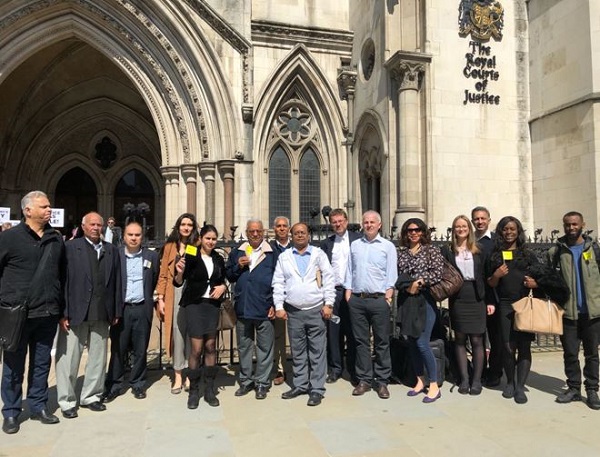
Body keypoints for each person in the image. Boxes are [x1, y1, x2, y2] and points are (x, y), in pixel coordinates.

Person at [0, 191, 65, 434]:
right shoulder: (9, 238)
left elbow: (62, 274)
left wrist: (61, 308)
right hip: (17, 314)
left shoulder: (55, 239)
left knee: (40, 363)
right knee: (13, 366)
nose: (49, 210)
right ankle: (11, 412)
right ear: (28, 211)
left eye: (49, 206)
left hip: (47, 312)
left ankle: (38, 406)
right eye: (44, 206)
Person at [55, 212, 122, 418]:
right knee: (69, 358)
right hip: (75, 312)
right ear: (83, 227)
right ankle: (67, 401)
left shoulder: (111, 250)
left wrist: (116, 310)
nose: (95, 228)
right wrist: (62, 312)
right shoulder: (69, 248)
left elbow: (117, 282)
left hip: (102, 312)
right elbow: (62, 281)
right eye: (92, 224)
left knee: (98, 358)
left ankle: (91, 396)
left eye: (99, 225)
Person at [272, 222, 336, 406]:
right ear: (292, 236)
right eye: (296, 233)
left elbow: (329, 278)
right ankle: (300, 384)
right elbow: (278, 282)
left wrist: (329, 303)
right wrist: (278, 306)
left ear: (308, 235)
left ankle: (316, 389)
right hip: (293, 311)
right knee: (298, 351)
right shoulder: (285, 257)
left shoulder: (318, 254)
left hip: (316, 309)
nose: (300, 235)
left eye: (303, 232)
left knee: (317, 351)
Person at [486, 216, 540, 404]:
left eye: (512, 229)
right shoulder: (496, 255)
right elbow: (490, 282)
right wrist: (497, 275)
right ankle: (509, 381)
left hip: (525, 303)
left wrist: (535, 283)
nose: (509, 232)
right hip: (505, 304)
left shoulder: (527, 254)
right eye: (505, 229)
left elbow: (540, 277)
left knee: (524, 346)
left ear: (518, 231)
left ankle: (520, 387)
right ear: (500, 232)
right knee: (508, 347)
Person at [103, 221, 159, 402]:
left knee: (140, 348)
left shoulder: (151, 256)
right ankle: (115, 383)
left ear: (142, 237)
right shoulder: (116, 254)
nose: (134, 238)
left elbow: (156, 278)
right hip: (122, 309)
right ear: (124, 237)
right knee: (118, 347)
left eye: (137, 235)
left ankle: (138, 383)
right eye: (130, 235)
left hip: (143, 307)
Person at [344, 211, 397, 399]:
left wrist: (388, 296)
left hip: (378, 299)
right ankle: (364, 379)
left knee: (382, 342)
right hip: (357, 299)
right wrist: (348, 293)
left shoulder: (387, 246)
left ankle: (382, 381)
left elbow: (391, 273)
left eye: (372, 222)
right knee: (361, 342)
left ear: (379, 224)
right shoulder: (355, 245)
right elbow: (350, 270)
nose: (368, 225)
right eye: (365, 222)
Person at [550, 211, 600, 410]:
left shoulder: (594, 249)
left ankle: (592, 389)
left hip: (592, 312)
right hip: (568, 312)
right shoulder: (556, 251)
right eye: (567, 225)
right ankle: (573, 388)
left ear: (582, 224)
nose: (571, 228)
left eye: (574, 224)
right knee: (570, 353)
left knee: (592, 354)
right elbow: (549, 279)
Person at [174, 224, 227, 409]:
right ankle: (194, 390)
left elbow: (223, 279)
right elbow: (178, 280)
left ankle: (210, 389)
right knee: (196, 349)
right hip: (194, 305)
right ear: (201, 238)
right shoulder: (191, 253)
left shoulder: (218, 258)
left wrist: (223, 287)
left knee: (211, 346)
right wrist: (179, 271)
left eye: (214, 239)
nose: (211, 242)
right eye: (208, 238)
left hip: (211, 305)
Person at [226, 219, 276, 400]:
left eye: (259, 231)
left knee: (264, 348)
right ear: (247, 233)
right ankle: (246, 381)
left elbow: (279, 280)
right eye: (252, 231)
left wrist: (275, 305)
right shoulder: (237, 252)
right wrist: (238, 266)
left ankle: (262, 383)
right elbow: (229, 276)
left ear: (263, 232)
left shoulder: (272, 253)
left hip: (264, 307)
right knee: (244, 347)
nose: (255, 234)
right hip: (243, 307)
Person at [441, 215, 492, 395]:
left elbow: (487, 276)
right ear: (453, 230)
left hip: (476, 296)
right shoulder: (447, 250)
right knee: (460, 340)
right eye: (457, 227)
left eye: (464, 226)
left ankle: (477, 380)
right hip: (458, 296)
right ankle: (464, 379)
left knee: (477, 340)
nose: (461, 229)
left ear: (469, 229)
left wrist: (490, 301)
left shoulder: (479, 249)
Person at [396, 218, 444, 403]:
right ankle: (419, 380)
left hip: (425, 300)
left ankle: (433, 384)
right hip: (407, 300)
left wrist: (420, 282)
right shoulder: (402, 253)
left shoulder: (431, 250)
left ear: (423, 232)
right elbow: (398, 276)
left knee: (423, 342)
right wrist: (408, 286)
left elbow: (437, 273)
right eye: (409, 230)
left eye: (417, 230)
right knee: (412, 342)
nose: (413, 233)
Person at [155, 213, 199, 394]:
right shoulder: (170, 247)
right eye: (183, 224)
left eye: (189, 225)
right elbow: (163, 274)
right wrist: (160, 298)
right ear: (178, 226)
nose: (186, 228)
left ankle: (190, 372)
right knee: (177, 334)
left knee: (192, 334)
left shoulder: (195, 246)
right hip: (174, 293)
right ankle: (178, 374)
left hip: (192, 293)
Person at [320, 208, 360, 384]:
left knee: (353, 331)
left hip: (354, 293)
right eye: (334, 222)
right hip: (334, 293)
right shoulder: (326, 244)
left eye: (340, 221)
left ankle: (352, 369)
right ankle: (335, 368)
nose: (337, 224)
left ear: (346, 220)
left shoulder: (358, 240)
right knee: (334, 332)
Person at [471, 206, 502, 387]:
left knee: (496, 337)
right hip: (474, 296)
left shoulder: (496, 241)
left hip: (493, 296)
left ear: (489, 220)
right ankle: (480, 371)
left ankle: (495, 372)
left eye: (483, 218)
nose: (480, 221)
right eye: (476, 219)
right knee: (477, 338)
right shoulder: (469, 241)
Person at [269, 216, 292, 386]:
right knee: (278, 336)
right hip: (276, 298)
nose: (282, 229)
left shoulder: (296, 247)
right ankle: (279, 369)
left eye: (285, 226)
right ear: (274, 229)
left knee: (297, 335)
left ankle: (297, 369)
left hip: (295, 297)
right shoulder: (269, 249)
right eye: (279, 226)